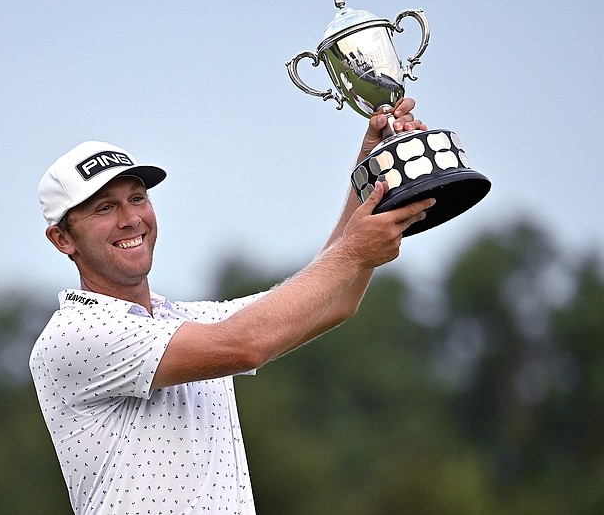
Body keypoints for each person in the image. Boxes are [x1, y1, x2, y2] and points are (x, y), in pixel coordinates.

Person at [29, 98, 435, 514]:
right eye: (104, 207)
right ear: (63, 240)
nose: (130, 218)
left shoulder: (184, 321)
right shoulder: (74, 335)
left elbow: (335, 301)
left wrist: (373, 173)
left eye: (137, 198)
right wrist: (353, 250)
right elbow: (246, 344)